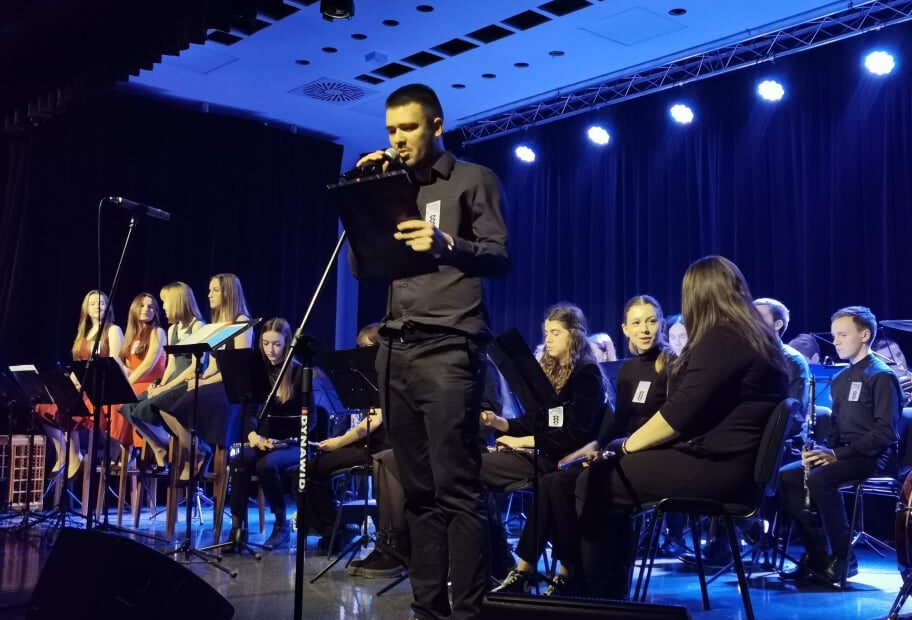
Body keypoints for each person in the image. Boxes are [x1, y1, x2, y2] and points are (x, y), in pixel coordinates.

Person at [353, 83, 509, 620]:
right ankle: (428, 611)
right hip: (395, 348)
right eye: (391, 130)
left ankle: (467, 613)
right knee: (417, 492)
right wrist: (363, 197)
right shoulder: (389, 186)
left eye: (409, 128)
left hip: (449, 346)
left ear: (436, 126)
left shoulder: (472, 179)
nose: (398, 139)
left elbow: (500, 256)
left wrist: (449, 245)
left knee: (456, 489)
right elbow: (361, 267)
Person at [575, 256, 787, 598]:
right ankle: (611, 593)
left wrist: (623, 446)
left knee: (595, 480)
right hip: (736, 467)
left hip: (721, 469)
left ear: (698, 295)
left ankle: (595, 597)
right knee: (609, 476)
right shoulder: (754, 336)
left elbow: (676, 417)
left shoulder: (724, 339)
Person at [494, 295, 671, 595]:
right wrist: (590, 449)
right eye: (637, 323)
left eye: (651, 321)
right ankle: (530, 571)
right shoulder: (627, 370)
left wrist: (612, 449)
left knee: (564, 483)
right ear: (625, 329)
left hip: (645, 455)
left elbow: (669, 421)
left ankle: (569, 572)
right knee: (551, 482)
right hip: (618, 450)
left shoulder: (671, 364)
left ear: (662, 324)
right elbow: (618, 423)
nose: (644, 329)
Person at [778, 306, 901, 583]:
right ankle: (817, 555)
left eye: (843, 335)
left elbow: (885, 433)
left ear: (865, 335)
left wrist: (836, 453)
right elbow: (836, 429)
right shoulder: (841, 378)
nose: (835, 341)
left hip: (873, 456)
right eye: (834, 336)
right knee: (787, 476)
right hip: (844, 453)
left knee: (820, 479)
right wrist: (820, 449)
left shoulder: (881, 375)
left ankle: (845, 558)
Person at [301, 323, 389, 555]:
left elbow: (375, 420)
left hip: (380, 446)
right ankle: (332, 527)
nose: (360, 352)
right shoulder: (366, 375)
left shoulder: (383, 376)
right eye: (359, 347)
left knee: (313, 468)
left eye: (367, 348)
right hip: (368, 442)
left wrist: (337, 443)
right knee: (309, 468)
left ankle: (334, 529)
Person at [159, 273, 253, 480]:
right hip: (216, 382)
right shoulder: (218, 322)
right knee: (168, 405)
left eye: (215, 290)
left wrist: (205, 382)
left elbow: (237, 368)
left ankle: (200, 451)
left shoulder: (241, 321)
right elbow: (212, 365)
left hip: (232, 388)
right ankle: (198, 448)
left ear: (228, 293)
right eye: (210, 290)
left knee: (187, 403)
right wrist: (199, 379)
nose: (209, 295)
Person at [226, 318, 306, 552]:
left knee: (266, 465)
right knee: (239, 459)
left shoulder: (299, 372)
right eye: (265, 343)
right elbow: (249, 411)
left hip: (291, 444)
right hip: (262, 441)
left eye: (277, 344)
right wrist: (252, 434)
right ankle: (238, 529)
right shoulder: (256, 371)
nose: (271, 350)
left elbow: (309, 421)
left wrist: (281, 441)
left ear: (287, 343)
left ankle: (281, 524)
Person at [121, 282, 206, 471]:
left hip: (186, 382)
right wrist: (161, 384)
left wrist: (166, 387)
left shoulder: (197, 326)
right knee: (129, 407)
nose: (164, 307)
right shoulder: (173, 329)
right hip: (172, 382)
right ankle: (160, 448)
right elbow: (172, 365)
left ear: (177, 302)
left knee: (151, 405)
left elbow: (195, 367)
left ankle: (195, 450)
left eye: (165, 302)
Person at [38, 290, 124, 478]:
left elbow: (115, 363)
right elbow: (78, 366)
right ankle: (66, 454)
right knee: (43, 406)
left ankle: (76, 455)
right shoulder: (83, 334)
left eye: (101, 303)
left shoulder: (113, 330)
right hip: (81, 385)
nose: (97, 306)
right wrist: (70, 384)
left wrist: (85, 383)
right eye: (92, 303)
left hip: (99, 386)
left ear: (108, 306)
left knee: (72, 408)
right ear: (86, 308)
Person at [107, 293, 167, 450]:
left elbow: (148, 365)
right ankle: (123, 449)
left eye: (151, 307)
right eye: (142, 306)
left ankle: (131, 449)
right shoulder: (132, 336)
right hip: (134, 382)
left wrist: (127, 384)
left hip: (149, 385)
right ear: (134, 308)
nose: (146, 309)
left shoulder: (157, 332)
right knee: (108, 400)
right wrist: (124, 370)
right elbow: (128, 364)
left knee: (123, 399)